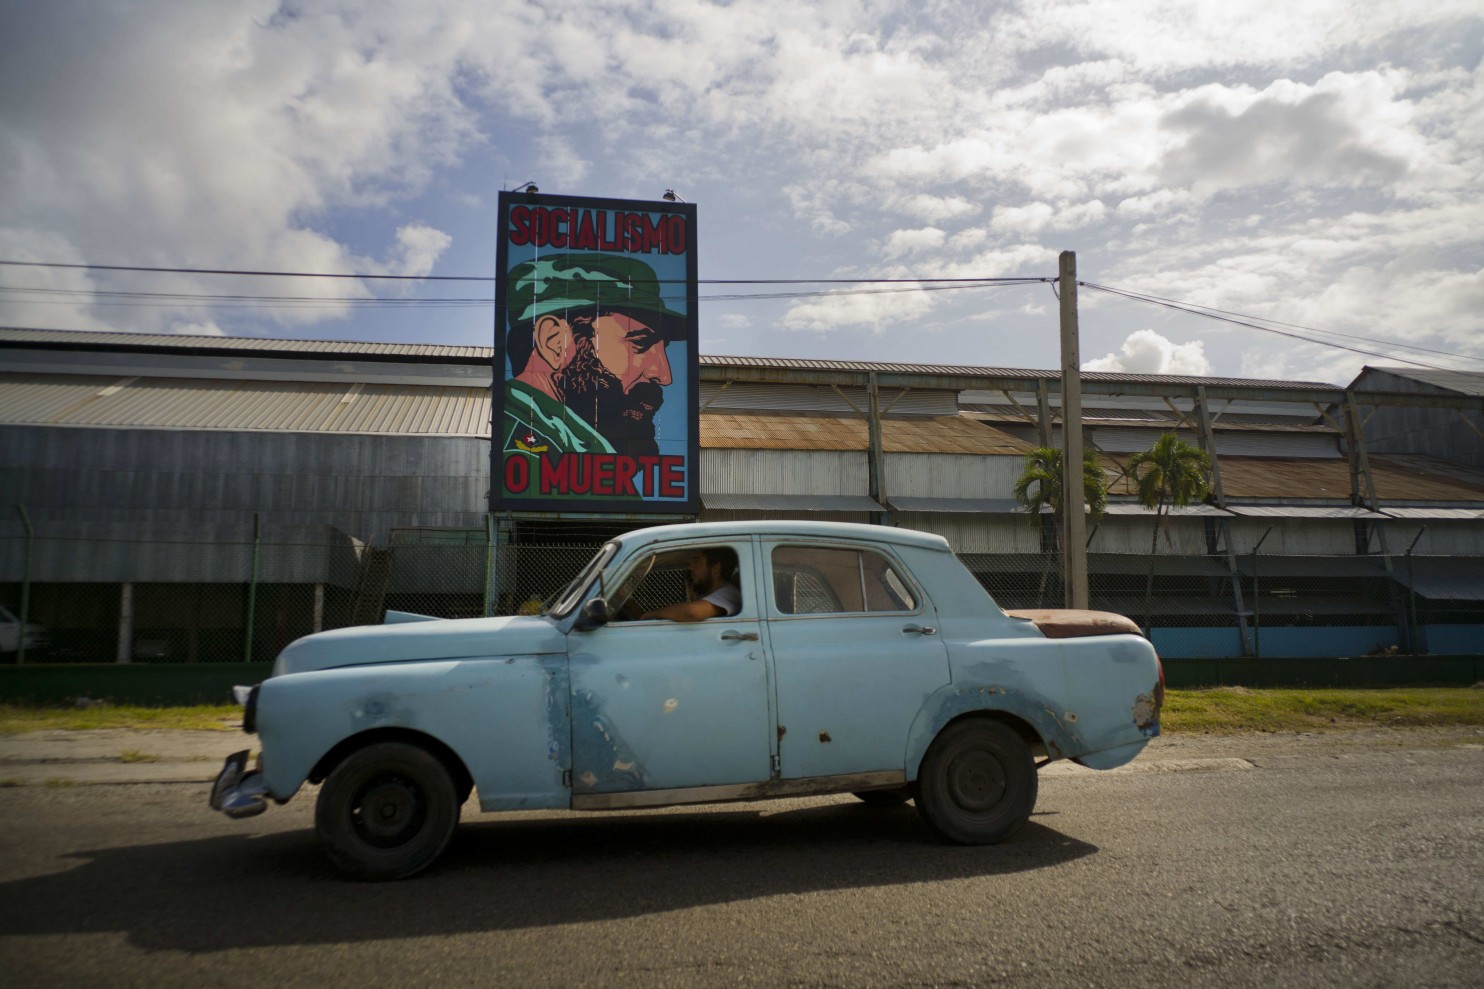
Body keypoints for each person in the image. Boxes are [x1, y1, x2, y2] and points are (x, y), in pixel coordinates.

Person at [502, 253, 687, 463]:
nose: (664, 376)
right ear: (554, 341)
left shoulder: (571, 444)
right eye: (640, 343)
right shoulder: (526, 449)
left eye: (664, 348)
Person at [642, 547, 741, 622]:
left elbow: (691, 613)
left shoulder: (728, 593)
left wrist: (652, 614)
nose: (690, 567)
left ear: (716, 568)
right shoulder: (710, 594)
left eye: (697, 562)